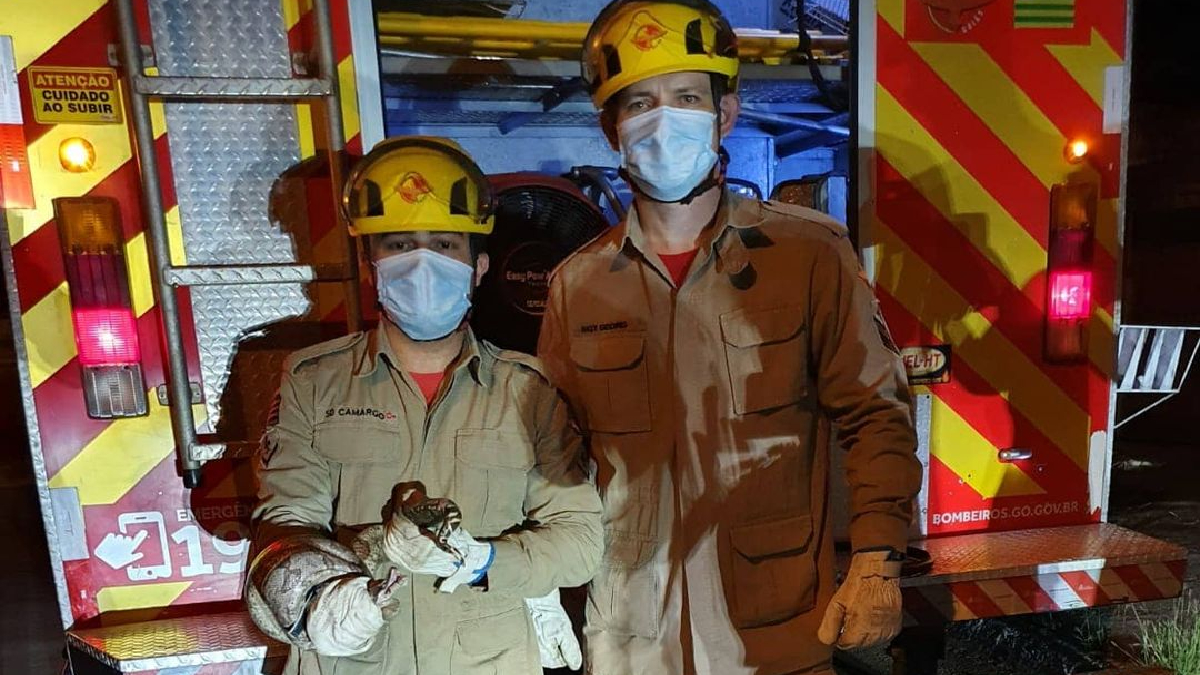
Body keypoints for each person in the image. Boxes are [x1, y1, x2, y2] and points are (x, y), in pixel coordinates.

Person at [536, 2, 923, 674]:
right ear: (610, 129)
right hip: (631, 639)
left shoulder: (809, 253)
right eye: (641, 103)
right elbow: (553, 458)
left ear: (726, 114)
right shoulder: (578, 285)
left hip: (773, 635)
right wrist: (534, 580)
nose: (664, 119)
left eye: (687, 96)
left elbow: (874, 413)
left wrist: (876, 557)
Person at [248, 136, 603, 675]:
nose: (422, 264)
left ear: (478, 267)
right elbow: (285, 521)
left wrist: (487, 563)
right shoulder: (314, 382)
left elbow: (579, 541)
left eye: (443, 244)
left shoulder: (526, 390)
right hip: (356, 660)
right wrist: (319, 592)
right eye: (399, 244)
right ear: (371, 265)